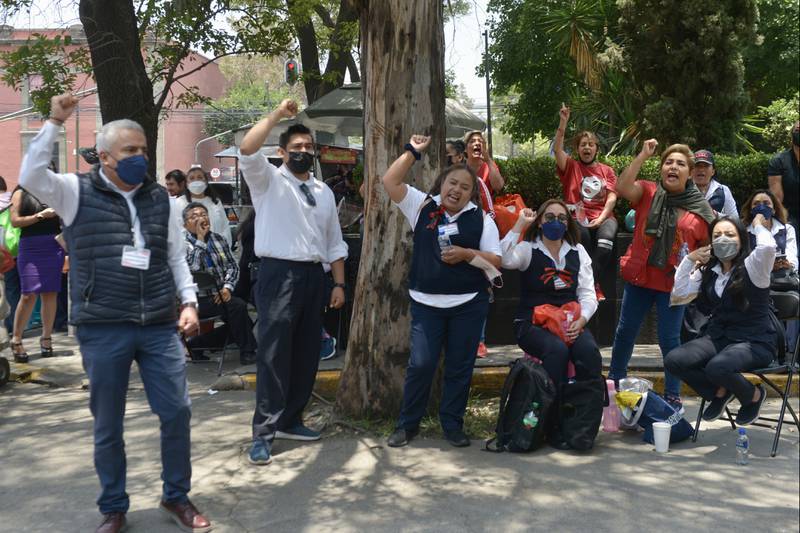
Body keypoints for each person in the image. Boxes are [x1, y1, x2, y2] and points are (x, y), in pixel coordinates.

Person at [19, 94, 210, 533]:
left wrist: (189, 303)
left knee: (177, 411)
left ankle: (176, 496)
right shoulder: (73, 191)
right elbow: (30, 174)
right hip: (103, 325)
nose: (139, 157)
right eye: (130, 151)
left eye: (143, 150)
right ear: (104, 156)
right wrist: (53, 121)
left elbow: (175, 255)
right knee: (109, 422)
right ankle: (114, 507)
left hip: (160, 323)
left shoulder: (159, 198)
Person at [239, 99, 347, 466]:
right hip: (277, 275)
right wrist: (276, 116)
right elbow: (247, 148)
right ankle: (263, 433)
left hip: (314, 278)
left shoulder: (324, 193)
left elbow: (334, 242)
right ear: (283, 153)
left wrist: (338, 284)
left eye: (308, 148)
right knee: (273, 356)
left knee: (305, 354)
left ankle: (291, 419)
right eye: (296, 148)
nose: (303, 153)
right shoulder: (267, 180)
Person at [382, 135, 501, 449]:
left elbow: (496, 261)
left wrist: (465, 254)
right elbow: (390, 180)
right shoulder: (422, 205)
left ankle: (453, 425)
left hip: (468, 304)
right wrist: (412, 152)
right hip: (426, 303)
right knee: (421, 364)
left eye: (464, 187)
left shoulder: (482, 219)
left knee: (460, 367)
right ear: (441, 183)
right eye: (452, 183)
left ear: (472, 193)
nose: (456, 190)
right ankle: (407, 425)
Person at [608, 140, 714, 411]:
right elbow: (621, 188)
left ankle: (673, 396)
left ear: (689, 173)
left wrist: (699, 260)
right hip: (640, 279)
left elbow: (709, 247)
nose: (674, 167)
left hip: (673, 286)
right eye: (669, 162)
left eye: (680, 163)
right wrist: (643, 155)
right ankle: (613, 385)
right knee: (625, 333)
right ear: (662, 167)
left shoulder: (702, 210)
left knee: (670, 342)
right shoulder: (648, 191)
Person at [500, 200, 601, 449]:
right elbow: (502, 259)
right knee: (556, 351)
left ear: (568, 223)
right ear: (540, 221)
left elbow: (588, 294)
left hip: (570, 321)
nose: (555, 222)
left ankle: (580, 425)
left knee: (589, 353)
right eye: (549, 217)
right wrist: (519, 225)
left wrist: (582, 320)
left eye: (561, 218)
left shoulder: (578, 252)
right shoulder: (526, 249)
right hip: (531, 323)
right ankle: (550, 423)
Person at [665, 215, 775, 425]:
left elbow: (767, 248)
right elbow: (678, 294)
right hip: (719, 337)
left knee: (717, 367)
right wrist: (689, 260)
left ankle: (753, 396)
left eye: (730, 234)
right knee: (674, 360)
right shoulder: (709, 271)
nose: (723, 239)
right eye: (717, 235)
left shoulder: (754, 266)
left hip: (754, 341)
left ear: (742, 240)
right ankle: (719, 391)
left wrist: (759, 225)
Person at [553, 105, 618, 300]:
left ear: (596, 148)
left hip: (604, 216)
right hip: (576, 217)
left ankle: (589, 283)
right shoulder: (570, 166)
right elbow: (557, 149)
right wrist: (563, 122)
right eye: (583, 144)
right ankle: (593, 286)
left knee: (606, 242)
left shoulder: (607, 170)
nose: (587, 147)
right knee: (584, 240)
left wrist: (601, 217)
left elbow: (612, 197)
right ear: (578, 149)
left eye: (591, 144)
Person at [183, 202, 257, 365]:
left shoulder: (218, 239)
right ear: (185, 223)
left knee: (243, 321)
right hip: (196, 300)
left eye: (203, 214)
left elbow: (233, 266)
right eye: (194, 216)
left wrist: (227, 288)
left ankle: (198, 344)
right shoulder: (183, 244)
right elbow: (192, 269)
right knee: (238, 309)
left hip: (222, 295)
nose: (201, 218)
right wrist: (201, 240)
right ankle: (248, 353)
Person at [8, 185, 63, 362]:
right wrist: (40, 216)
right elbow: (15, 221)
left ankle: (46, 337)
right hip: (30, 246)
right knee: (28, 294)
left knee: (50, 292)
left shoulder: (55, 190)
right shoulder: (21, 192)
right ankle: (16, 338)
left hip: (54, 245)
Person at [742, 189, 798, 351]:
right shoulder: (744, 231)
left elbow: (793, 256)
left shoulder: (787, 229)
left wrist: (788, 264)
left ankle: (791, 348)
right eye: (756, 204)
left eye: (766, 203)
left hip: (782, 279)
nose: (761, 207)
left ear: (774, 208)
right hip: (754, 281)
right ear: (750, 209)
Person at [768, 121, 799, 262]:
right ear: (792, 135)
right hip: (789, 217)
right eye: (798, 130)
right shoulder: (779, 161)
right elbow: (776, 198)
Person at [176, 166, 231, 246]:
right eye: (192, 178)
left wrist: (223, 245)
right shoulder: (180, 202)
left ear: (206, 181)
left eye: (199, 177)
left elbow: (225, 227)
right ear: (187, 184)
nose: (196, 181)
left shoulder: (215, 202)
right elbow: (179, 230)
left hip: (216, 249)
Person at [464, 130, 504, 212]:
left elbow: (498, 187)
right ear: (465, 149)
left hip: (486, 213)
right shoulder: (459, 168)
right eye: (472, 141)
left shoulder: (490, 165)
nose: (477, 143)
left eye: (481, 141)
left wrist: (488, 160)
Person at [691, 149, 738, 218]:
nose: (701, 169)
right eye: (697, 165)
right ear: (691, 170)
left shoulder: (723, 191)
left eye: (706, 166)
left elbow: (735, 220)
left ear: (713, 171)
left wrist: (714, 214)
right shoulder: (683, 189)